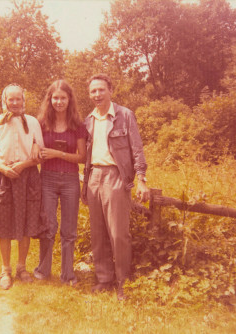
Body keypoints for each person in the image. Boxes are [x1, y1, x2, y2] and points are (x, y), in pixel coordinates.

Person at [81, 73, 150, 301]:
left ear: (110, 90)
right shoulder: (88, 120)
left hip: (116, 177)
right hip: (93, 178)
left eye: (101, 90)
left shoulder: (125, 115)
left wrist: (141, 178)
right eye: (93, 91)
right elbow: (86, 156)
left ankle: (123, 282)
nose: (97, 95)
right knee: (98, 233)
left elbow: (137, 149)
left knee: (119, 233)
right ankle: (104, 278)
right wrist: (84, 184)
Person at [0, 83, 45, 290]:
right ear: (5, 101)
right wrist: (3, 168)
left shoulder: (33, 122)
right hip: (3, 177)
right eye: (11, 99)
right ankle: (5, 270)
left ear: (23, 101)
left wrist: (24, 163)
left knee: (26, 223)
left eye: (19, 99)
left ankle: (21, 267)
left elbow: (40, 153)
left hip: (28, 178)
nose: (15, 103)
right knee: (4, 225)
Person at [33, 79, 86, 285]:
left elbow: (82, 157)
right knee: (48, 225)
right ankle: (43, 270)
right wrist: (37, 153)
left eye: (63, 98)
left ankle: (67, 274)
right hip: (46, 178)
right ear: (50, 99)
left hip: (71, 180)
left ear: (69, 99)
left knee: (69, 229)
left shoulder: (77, 125)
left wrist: (57, 153)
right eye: (55, 97)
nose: (59, 101)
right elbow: (35, 150)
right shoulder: (41, 123)